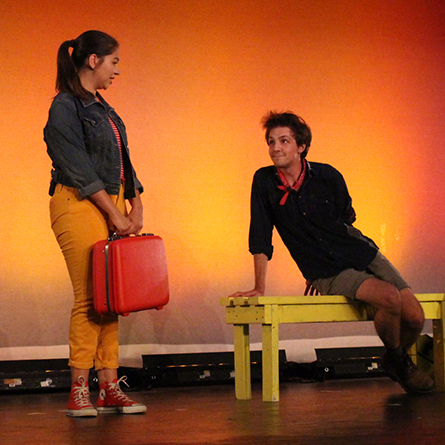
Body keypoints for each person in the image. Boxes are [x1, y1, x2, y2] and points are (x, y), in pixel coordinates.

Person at [230, 111, 434, 394]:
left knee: (414, 316)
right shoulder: (264, 181)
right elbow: (261, 235)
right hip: (325, 270)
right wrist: (260, 286)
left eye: (284, 141)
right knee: (389, 299)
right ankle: (400, 362)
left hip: (361, 251)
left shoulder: (327, 175)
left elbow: (345, 220)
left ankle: (393, 358)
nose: (276, 147)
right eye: (271, 141)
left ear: (301, 146)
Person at [44, 30, 147, 416]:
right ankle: (79, 390)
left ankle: (109, 387)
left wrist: (135, 202)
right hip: (80, 203)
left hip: (111, 203)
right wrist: (114, 211)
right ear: (93, 61)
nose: (117, 70)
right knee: (90, 297)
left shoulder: (103, 108)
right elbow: (79, 168)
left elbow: (124, 159)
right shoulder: (65, 107)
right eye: (114, 61)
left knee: (111, 300)